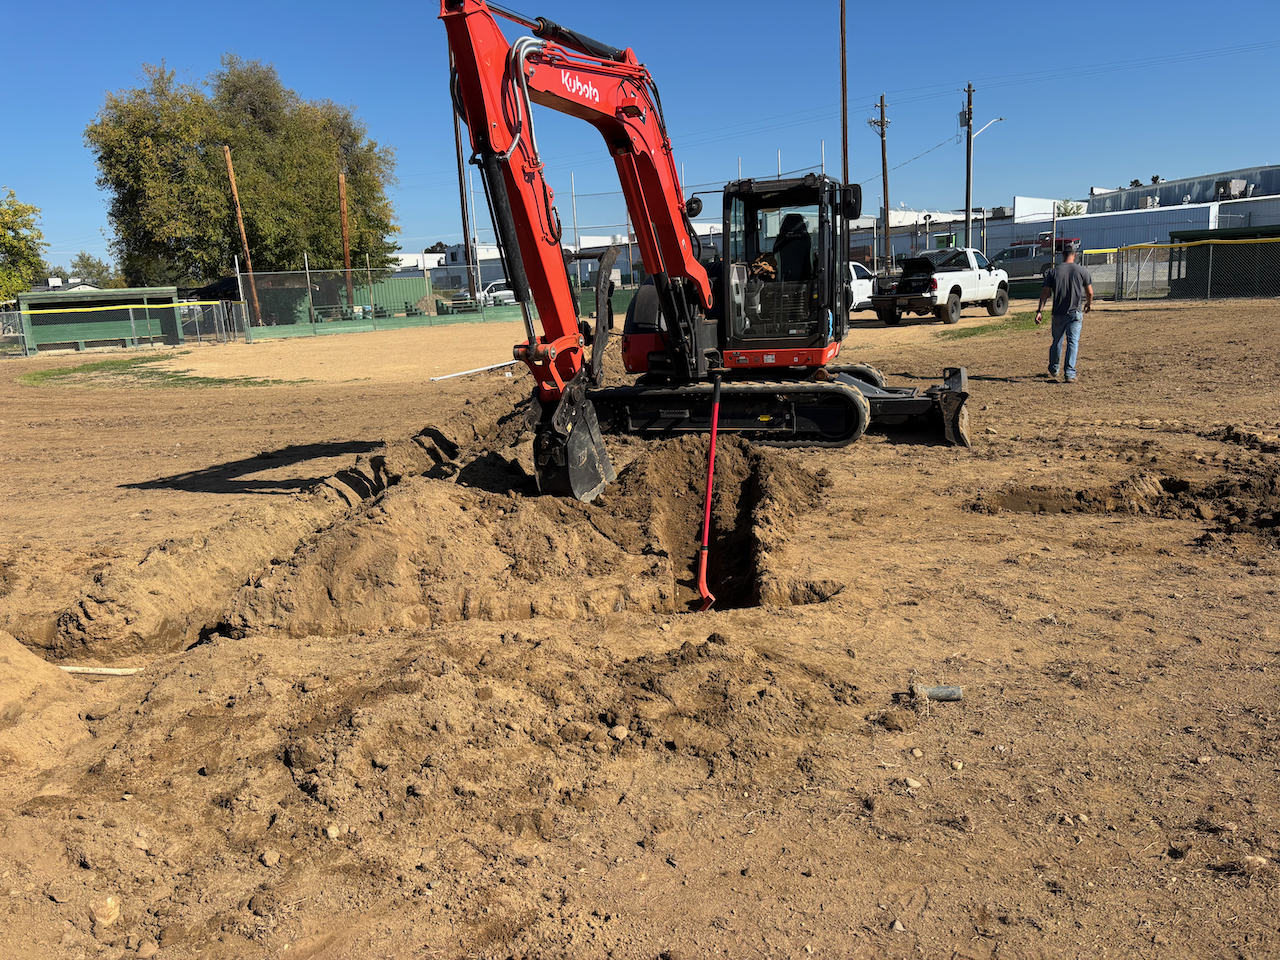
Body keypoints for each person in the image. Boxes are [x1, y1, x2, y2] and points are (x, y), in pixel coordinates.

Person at [1035, 241, 1093, 383]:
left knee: (1057, 342)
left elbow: (1045, 293)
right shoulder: (1082, 271)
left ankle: (1054, 368)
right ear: (1076, 254)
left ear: (1062, 254)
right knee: (1073, 342)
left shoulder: (1053, 272)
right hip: (1075, 312)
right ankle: (1069, 373)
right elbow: (1090, 292)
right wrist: (1088, 304)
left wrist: (1039, 311)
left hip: (1058, 313)